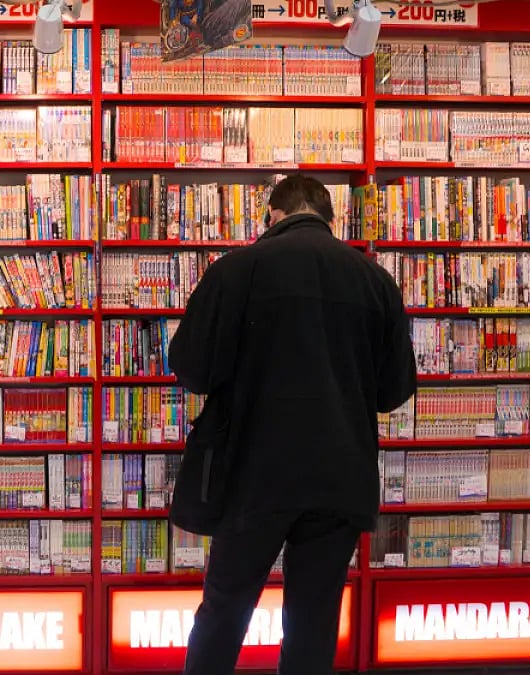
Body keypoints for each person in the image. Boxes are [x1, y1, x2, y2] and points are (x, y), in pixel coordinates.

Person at [168, 174, 416, 675]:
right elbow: (394, 390)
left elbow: (191, 369)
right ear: (330, 218)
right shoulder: (375, 281)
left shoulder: (238, 270)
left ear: (273, 216)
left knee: (225, 610)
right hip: (340, 480)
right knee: (313, 623)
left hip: (252, 474)